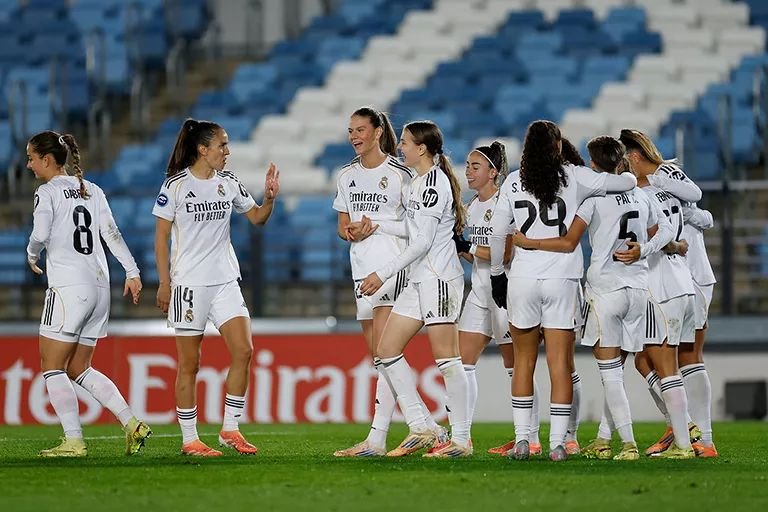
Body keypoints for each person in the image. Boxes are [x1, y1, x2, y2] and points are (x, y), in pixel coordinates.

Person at [511, 136, 675, 460]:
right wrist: (645, 249)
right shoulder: (641, 195)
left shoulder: (593, 198)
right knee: (627, 368)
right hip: (638, 289)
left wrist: (530, 243)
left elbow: (568, 242)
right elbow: (667, 230)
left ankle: (628, 444)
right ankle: (606, 437)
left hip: (605, 290)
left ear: (595, 163)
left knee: (611, 375)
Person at [488, 120, 637, 461]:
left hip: (523, 278)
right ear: (558, 146)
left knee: (523, 361)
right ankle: (558, 443)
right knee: (560, 363)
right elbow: (626, 181)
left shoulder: (513, 181)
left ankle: (523, 439)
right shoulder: (576, 176)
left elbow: (498, 233)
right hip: (563, 279)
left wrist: (497, 274)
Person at [153, 118, 280, 456]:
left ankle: (230, 429)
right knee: (189, 364)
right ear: (202, 149)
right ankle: (190, 439)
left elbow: (257, 218)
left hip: (225, 281)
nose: (227, 151)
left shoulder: (229, 182)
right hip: (188, 285)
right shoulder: (175, 186)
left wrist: (269, 199)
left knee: (244, 351)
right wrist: (164, 282)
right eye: (222, 145)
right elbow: (161, 237)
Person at [26, 131, 151, 457]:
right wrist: (132, 271)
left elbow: (40, 233)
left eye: (31, 158)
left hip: (68, 288)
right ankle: (132, 423)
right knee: (79, 368)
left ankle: (74, 440)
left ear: (47, 160)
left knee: (52, 366)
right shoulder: (92, 189)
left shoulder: (47, 192)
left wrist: (31, 254)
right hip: (99, 289)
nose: (28, 165)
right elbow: (111, 233)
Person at [332, 107, 442, 457]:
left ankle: (381, 437)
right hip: (361, 269)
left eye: (360, 129)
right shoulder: (345, 175)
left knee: (385, 351)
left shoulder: (401, 174)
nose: (354, 136)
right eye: (351, 130)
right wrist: (352, 231)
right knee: (380, 359)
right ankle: (429, 427)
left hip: (391, 267)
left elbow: (416, 226)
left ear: (378, 132)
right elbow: (342, 227)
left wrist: (377, 227)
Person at [359, 120, 471, 457]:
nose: (400, 147)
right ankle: (422, 426)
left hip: (439, 278)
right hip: (420, 280)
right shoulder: (416, 182)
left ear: (422, 149)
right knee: (387, 349)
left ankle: (461, 440)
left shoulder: (435, 184)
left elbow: (423, 242)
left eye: (405, 142)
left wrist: (383, 273)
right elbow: (412, 229)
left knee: (448, 361)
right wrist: (377, 225)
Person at [619, 129, 708, 457]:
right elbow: (689, 223)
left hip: (662, 287)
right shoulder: (663, 193)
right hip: (683, 283)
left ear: (633, 157)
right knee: (647, 359)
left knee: (665, 363)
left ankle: (687, 438)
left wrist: (643, 250)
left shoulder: (646, 191)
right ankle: (687, 430)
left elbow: (666, 232)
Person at [452, 141, 542, 456]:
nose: (468, 172)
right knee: (461, 363)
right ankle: (461, 437)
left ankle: (530, 437)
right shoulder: (470, 207)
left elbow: (505, 253)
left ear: (493, 172)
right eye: (467, 166)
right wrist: (462, 249)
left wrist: (469, 247)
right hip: (479, 292)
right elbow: (477, 256)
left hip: (505, 292)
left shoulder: (507, 203)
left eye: (475, 166)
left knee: (516, 366)